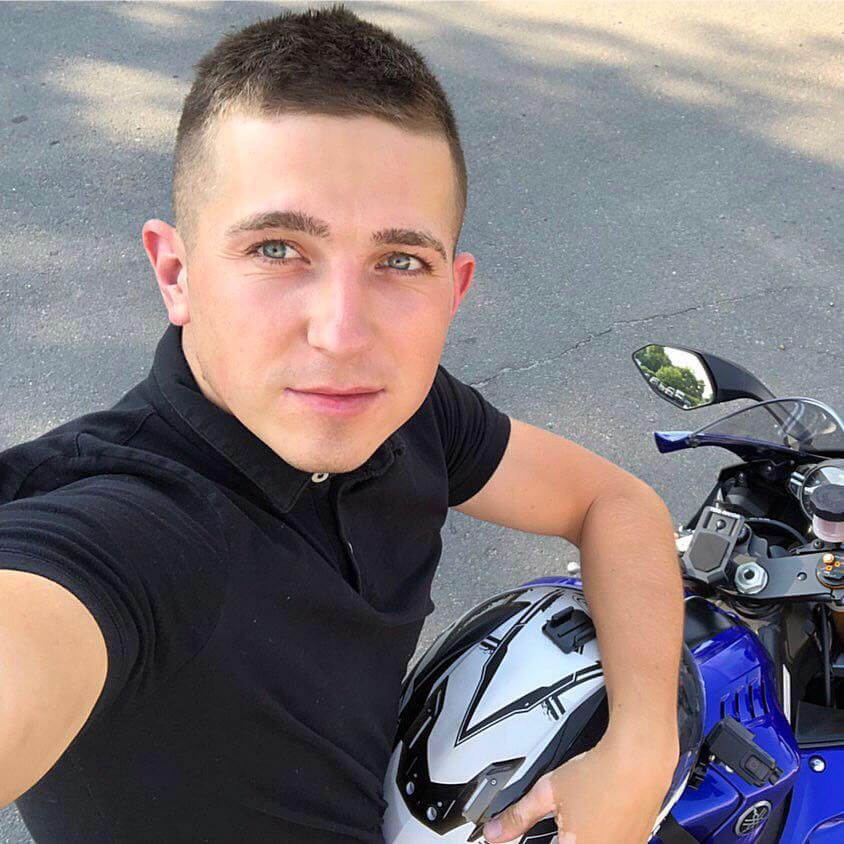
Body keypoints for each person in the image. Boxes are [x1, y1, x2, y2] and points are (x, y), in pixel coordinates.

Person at [0, 5, 684, 843]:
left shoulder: (414, 412)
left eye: (400, 262)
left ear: (454, 290)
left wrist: (641, 748)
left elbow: (612, 502)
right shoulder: (125, 529)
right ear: (176, 272)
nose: (343, 333)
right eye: (277, 248)